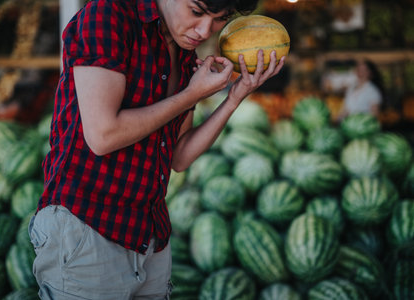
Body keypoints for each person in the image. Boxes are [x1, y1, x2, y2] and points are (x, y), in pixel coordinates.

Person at [28, 0, 285, 299]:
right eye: (197, 12)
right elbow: (103, 135)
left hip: (149, 234)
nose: (204, 31)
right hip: (87, 229)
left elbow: (179, 156)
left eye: (219, 19)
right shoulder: (107, 18)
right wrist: (190, 95)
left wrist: (234, 97)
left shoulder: (184, 50)